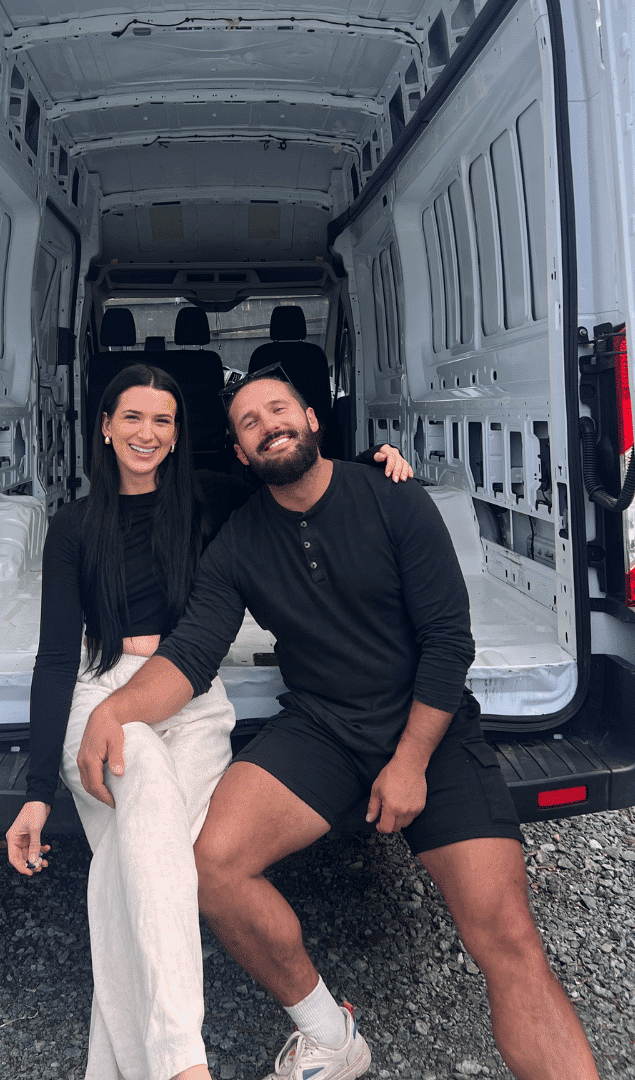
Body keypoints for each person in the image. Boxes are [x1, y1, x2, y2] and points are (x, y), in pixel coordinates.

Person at [74, 370, 602, 1080]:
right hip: (321, 727)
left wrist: (411, 760)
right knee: (213, 866)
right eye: (250, 423)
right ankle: (328, 1033)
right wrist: (115, 709)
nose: (268, 425)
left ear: (314, 420)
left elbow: (449, 641)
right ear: (239, 451)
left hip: (430, 733)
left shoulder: (393, 498)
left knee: (507, 939)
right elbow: (193, 651)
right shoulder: (238, 542)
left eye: (279, 409)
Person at [5, 362, 412, 1080]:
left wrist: (372, 470)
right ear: (105, 427)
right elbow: (53, 658)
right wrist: (39, 788)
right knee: (151, 801)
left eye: (163, 421)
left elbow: (294, 475)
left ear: (176, 434)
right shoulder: (72, 527)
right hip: (104, 699)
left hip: (193, 697)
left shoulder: (209, 500)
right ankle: (182, 1064)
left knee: (138, 865)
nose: (147, 433)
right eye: (132, 417)